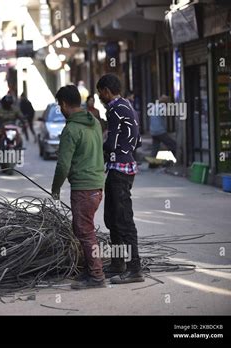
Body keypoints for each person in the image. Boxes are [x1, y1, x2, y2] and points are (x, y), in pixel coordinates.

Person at [51, 85, 106, 289]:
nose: (61, 109)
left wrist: (55, 189)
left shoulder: (71, 129)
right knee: (82, 229)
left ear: (64, 104)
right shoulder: (96, 123)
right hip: (97, 186)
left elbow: (63, 164)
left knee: (85, 231)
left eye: (60, 105)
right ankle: (88, 270)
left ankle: (97, 276)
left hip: (83, 188)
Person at [97, 74, 144, 284]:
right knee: (112, 218)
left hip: (119, 171)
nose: (99, 97)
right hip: (124, 167)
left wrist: (97, 148)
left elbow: (111, 144)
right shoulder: (128, 105)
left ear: (106, 90)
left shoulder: (115, 110)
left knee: (123, 220)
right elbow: (139, 141)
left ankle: (134, 269)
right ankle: (118, 263)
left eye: (100, 93)